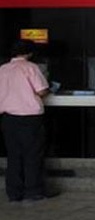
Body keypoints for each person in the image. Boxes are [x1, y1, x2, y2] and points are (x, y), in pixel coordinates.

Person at [0, 40, 55, 202]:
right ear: (30, 53)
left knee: (14, 155)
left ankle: (14, 193)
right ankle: (33, 192)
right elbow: (42, 90)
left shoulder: (3, 69)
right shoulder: (31, 67)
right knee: (32, 155)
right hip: (30, 118)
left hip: (8, 118)